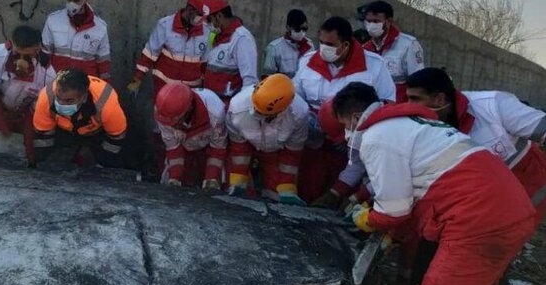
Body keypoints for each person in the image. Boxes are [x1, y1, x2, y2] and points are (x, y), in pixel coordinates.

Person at [334, 82, 535, 285]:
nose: (345, 133)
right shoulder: (414, 124)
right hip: (510, 210)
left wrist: (365, 219)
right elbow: (421, 193)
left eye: (343, 125)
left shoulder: (378, 136)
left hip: (477, 217)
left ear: (352, 117)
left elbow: (393, 210)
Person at [405, 67, 546, 285]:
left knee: (492, 267)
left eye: (417, 100)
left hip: (525, 194)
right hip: (471, 204)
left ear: (440, 98)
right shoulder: (425, 125)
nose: (410, 108)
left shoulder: (493, 106)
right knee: (435, 253)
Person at [292, 16, 395, 203]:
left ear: (346, 45)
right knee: (306, 190)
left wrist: (356, 134)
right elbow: (295, 99)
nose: (324, 48)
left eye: (330, 44)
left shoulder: (374, 66)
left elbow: (386, 105)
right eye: (321, 42)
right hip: (313, 142)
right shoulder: (307, 62)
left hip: (350, 145)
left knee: (341, 195)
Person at [226, 74, 308, 205]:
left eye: (263, 114)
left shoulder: (299, 113)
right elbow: (238, 146)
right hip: (247, 146)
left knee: (277, 196)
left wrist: (287, 186)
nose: (257, 114)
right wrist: (238, 179)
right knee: (238, 195)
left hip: (277, 152)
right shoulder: (237, 108)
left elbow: (292, 153)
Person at [0, 25, 57, 164]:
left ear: (37, 49)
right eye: (18, 54)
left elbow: (41, 103)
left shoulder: (48, 73)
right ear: (11, 45)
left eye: (28, 55)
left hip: (26, 111)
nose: (21, 59)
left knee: (35, 136)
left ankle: (33, 160)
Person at [32, 69, 126, 167]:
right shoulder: (46, 97)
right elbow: (43, 135)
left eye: (69, 101)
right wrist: (42, 163)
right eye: (58, 98)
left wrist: (104, 164)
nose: (61, 104)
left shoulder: (106, 105)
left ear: (84, 97)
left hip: (98, 132)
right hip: (64, 130)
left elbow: (116, 136)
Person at [127, 0, 212, 96]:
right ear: (190, 9)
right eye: (200, 16)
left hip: (190, 94)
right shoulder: (165, 26)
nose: (201, 21)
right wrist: (137, 79)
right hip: (164, 90)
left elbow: (206, 64)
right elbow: (149, 55)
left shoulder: (206, 32)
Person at [153, 82, 227, 189]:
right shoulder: (163, 113)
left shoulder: (215, 112)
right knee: (169, 184)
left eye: (175, 122)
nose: (171, 126)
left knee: (216, 186)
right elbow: (174, 149)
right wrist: (175, 178)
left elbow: (218, 148)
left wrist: (211, 178)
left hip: (208, 149)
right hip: (183, 148)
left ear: (188, 110)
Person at [41, 0, 111, 81]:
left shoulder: (100, 28)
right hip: (58, 84)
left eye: (76, 1)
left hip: (85, 86)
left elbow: (104, 64)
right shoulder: (53, 21)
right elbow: (44, 57)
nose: (71, 4)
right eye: (69, 0)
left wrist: (103, 88)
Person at [362, 0, 425, 102]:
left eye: (376, 21)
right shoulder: (365, 49)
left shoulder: (408, 45)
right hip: (373, 107)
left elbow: (419, 81)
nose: (371, 25)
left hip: (399, 108)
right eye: (368, 21)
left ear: (388, 21)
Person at [203, 0, 258, 102]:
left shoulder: (242, 39)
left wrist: (238, 110)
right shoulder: (219, 37)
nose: (209, 25)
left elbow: (250, 82)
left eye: (210, 20)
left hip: (228, 108)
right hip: (213, 106)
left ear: (219, 16)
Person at [262, 9, 315, 78]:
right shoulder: (274, 48)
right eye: (297, 29)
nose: (301, 32)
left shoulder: (309, 46)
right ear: (288, 27)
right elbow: (267, 78)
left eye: (304, 29)